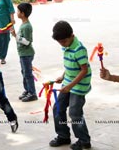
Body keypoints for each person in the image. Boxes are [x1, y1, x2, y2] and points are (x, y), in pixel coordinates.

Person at [49, 20, 91, 150]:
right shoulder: (67, 45)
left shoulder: (79, 49)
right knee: (57, 108)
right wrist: (63, 76)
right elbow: (69, 65)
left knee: (74, 113)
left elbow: (83, 70)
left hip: (79, 86)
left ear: (72, 35)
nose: (62, 44)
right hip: (68, 82)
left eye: (64, 41)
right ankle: (63, 136)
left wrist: (70, 86)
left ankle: (84, 140)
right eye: (60, 42)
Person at [10, 3, 38, 102]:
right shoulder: (23, 24)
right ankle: (27, 90)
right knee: (24, 72)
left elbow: (27, 41)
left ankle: (32, 93)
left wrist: (15, 36)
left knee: (28, 74)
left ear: (22, 13)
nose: (16, 13)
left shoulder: (26, 27)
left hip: (27, 54)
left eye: (18, 11)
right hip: (23, 54)